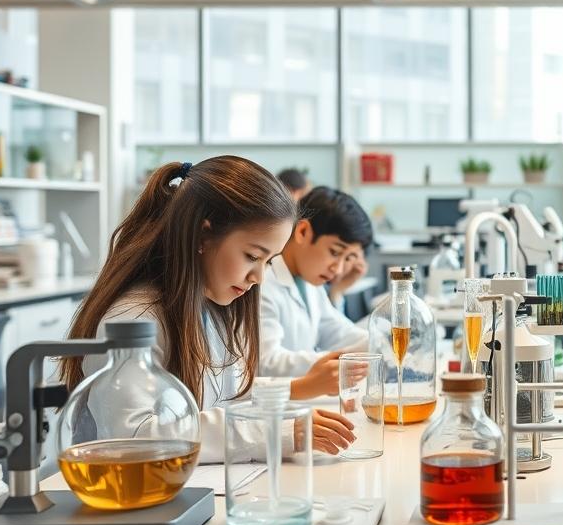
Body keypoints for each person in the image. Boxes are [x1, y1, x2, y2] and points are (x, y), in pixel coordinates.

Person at [61, 157, 357, 462]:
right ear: (203, 235)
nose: (259, 277)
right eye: (252, 256)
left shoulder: (214, 307)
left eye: (268, 261)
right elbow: (134, 437)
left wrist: (290, 409)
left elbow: (230, 396)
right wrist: (276, 431)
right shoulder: (135, 317)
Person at [260, 186, 373, 381]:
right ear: (303, 231)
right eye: (335, 252)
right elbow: (268, 363)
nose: (338, 270)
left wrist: (383, 340)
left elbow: (336, 331)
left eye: (348, 258)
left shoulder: (311, 282)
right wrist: (339, 361)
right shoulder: (262, 283)